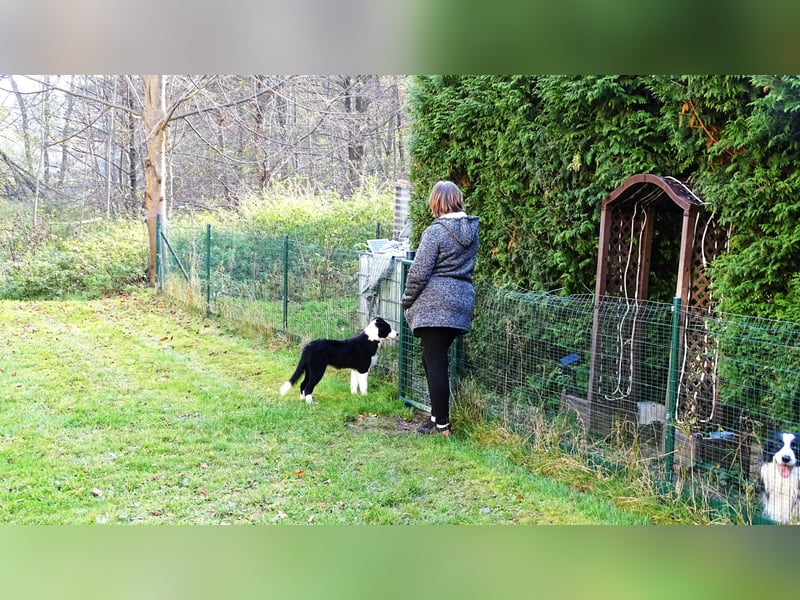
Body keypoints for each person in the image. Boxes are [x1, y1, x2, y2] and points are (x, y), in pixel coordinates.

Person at [401, 180, 479, 436]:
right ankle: (435, 417)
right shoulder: (472, 230)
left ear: (437, 203)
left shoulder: (435, 231)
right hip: (460, 302)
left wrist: (407, 300)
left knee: (435, 363)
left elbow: (418, 273)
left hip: (436, 306)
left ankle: (442, 426)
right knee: (431, 358)